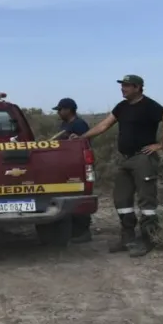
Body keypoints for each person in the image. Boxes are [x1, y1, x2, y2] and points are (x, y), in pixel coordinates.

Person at [79, 75, 163, 257]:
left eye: (126, 86)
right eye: (122, 86)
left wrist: (161, 144)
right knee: (121, 199)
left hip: (143, 159)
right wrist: (82, 138)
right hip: (125, 159)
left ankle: (149, 240)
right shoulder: (122, 107)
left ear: (138, 87)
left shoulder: (149, 105)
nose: (123, 89)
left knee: (146, 202)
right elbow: (103, 125)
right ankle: (127, 238)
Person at [50, 98, 93, 243]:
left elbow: (86, 144)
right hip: (64, 165)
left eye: (60, 110)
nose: (59, 113)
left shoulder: (79, 124)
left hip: (78, 165)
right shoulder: (64, 124)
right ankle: (71, 231)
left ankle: (83, 232)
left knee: (79, 196)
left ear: (68, 110)